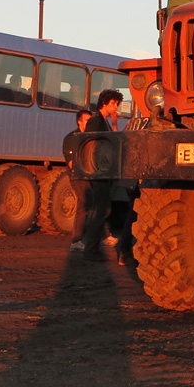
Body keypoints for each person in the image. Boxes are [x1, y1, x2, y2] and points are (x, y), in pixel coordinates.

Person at [78, 89, 123, 260]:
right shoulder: (96, 121)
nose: (115, 107)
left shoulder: (103, 121)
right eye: (113, 103)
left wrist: (115, 123)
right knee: (99, 210)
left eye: (117, 104)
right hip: (98, 172)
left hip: (101, 171)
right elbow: (92, 145)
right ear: (105, 103)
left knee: (102, 209)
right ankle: (90, 249)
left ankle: (92, 248)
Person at [67, 110, 95, 252]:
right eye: (86, 120)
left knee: (85, 206)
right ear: (79, 121)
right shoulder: (73, 138)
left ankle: (79, 240)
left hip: (90, 176)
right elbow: (72, 163)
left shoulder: (90, 138)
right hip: (78, 176)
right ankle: (77, 241)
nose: (89, 123)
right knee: (86, 205)